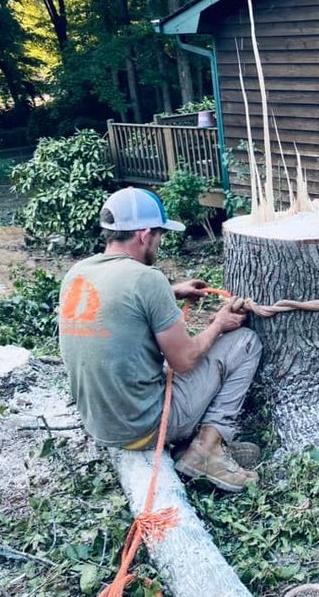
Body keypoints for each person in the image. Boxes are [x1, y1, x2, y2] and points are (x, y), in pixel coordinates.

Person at [59, 186, 263, 492]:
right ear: (144, 235)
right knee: (245, 343)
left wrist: (171, 291)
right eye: (159, 235)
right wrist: (219, 324)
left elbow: (120, 305)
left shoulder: (77, 273)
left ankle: (197, 443)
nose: (159, 242)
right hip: (145, 426)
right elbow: (184, 361)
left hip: (102, 426)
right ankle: (207, 449)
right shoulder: (146, 278)